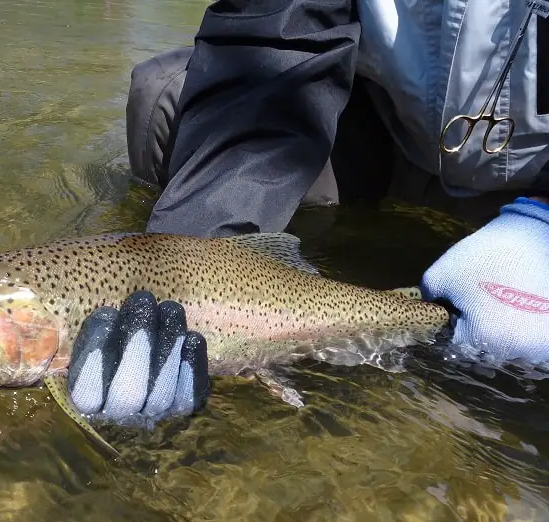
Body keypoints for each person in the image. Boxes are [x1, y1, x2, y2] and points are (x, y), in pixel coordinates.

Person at [65, 0, 549, 422]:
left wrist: (541, 218)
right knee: (163, 93)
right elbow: (273, 36)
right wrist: (194, 267)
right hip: (389, 130)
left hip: (537, 169)